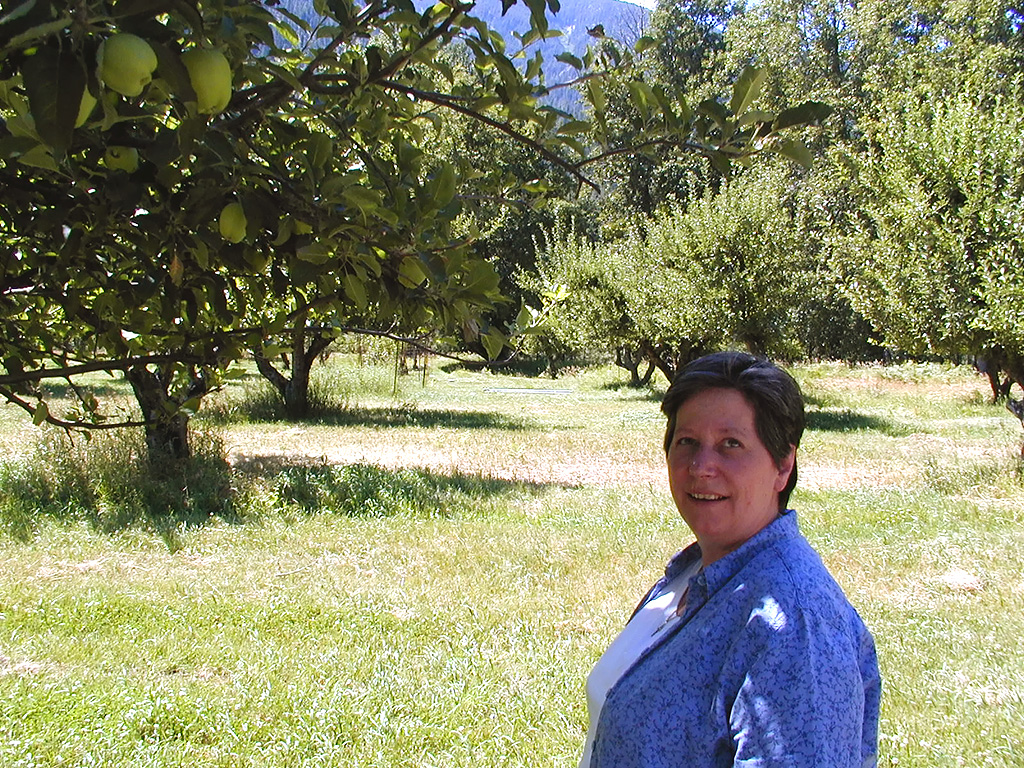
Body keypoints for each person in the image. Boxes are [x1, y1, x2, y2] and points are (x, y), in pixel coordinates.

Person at [580, 351, 881, 768]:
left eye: (731, 444)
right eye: (687, 442)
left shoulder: (792, 624)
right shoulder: (693, 574)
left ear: (783, 464)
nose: (701, 466)